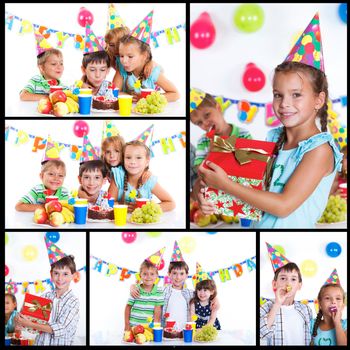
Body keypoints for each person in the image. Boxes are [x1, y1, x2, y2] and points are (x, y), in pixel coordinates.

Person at [197, 14, 343, 228]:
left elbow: (283, 206)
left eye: (296, 95)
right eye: (278, 94)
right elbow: (255, 195)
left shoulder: (319, 150)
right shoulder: (274, 140)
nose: (284, 103)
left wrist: (226, 185)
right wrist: (213, 199)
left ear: (318, 100)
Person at [130, 242, 219, 331]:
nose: (178, 277)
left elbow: (205, 296)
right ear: (169, 274)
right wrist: (133, 286)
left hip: (185, 333)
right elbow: (147, 288)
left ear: (187, 275)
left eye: (181, 273)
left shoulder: (191, 293)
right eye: (174, 273)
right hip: (167, 333)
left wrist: (216, 299)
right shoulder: (162, 291)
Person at [15, 237, 80, 345]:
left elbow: (60, 329)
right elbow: (30, 322)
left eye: (65, 274)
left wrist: (30, 324)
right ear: (51, 275)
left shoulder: (73, 302)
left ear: (73, 276)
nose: (60, 278)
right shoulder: (44, 297)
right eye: (56, 273)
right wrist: (21, 321)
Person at [190, 88, 252, 200]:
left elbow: (250, 166)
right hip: (216, 196)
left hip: (241, 193)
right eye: (199, 123)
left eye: (207, 115)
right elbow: (201, 173)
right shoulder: (203, 142)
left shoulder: (243, 135)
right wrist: (211, 152)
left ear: (218, 107)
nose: (205, 123)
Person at [117, 11, 179, 102]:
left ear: (144, 56)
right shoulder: (122, 68)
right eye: (121, 56)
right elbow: (114, 92)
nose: (124, 61)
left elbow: (175, 94)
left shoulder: (152, 72)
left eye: (130, 56)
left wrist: (147, 98)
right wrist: (128, 97)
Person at [261, 243, 312, 345]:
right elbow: (262, 333)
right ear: (275, 284)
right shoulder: (266, 307)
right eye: (283, 278)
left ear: (299, 285)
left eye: (293, 279)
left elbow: (310, 337)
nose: (288, 283)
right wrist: (277, 304)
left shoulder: (305, 309)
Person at [108, 140, 175, 212]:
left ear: (147, 161)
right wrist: (123, 207)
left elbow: (171, 203)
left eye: (139, 158)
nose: (133, 162)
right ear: (123, 160)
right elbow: (108, 203)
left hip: (141, 221)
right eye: (128, 157)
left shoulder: (149, 180)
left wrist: (145, 208)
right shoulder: (118, 176)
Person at [124, 258, 164, 331]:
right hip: (133, 328)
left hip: (148, 329)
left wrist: (156, 328)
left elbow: (157, 311)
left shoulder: (159, 291)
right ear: (140, 275)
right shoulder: (135, 290)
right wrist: (127, 325)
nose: (148, 277)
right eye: (145, 274)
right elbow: (128, 307)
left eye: (152, 274)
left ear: (156, 276)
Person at [310, 270, 347, 346]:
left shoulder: (345, 325)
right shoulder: (311, 324)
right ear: (320, 303)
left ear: (343, 305)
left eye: (338, 298)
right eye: (327, 298)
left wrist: (337, 323)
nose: (333, 302)